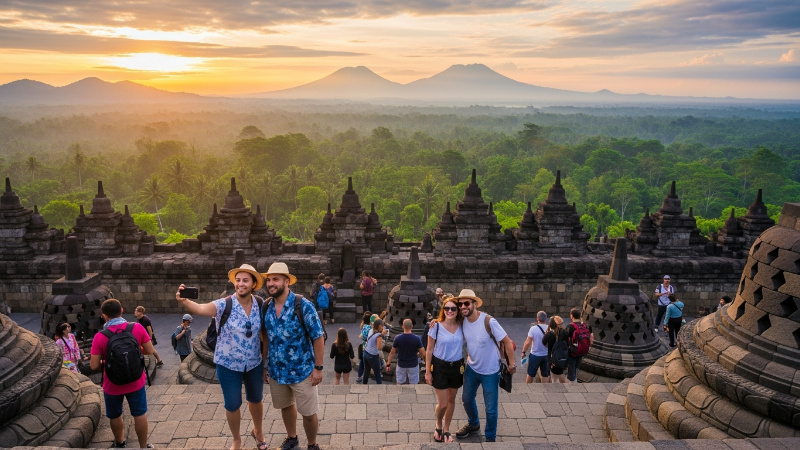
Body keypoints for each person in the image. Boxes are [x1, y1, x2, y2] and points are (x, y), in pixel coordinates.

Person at [175, 264, 267, 450]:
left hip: (254, 362)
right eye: (238, 280)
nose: (240, 284)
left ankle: (258, 431)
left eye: (245, 280)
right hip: (228, 364)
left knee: (256, 399)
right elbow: (200, 309)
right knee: (232, 404)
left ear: (254, 284)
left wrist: (266, 362)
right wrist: (184, 302)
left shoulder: (260, 304)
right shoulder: (224, 304)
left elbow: (264, 333)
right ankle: (236, 439)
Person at [261, 262, 326, 450]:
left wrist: (318, 368)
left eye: (275, 279)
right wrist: (265, 365)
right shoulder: (267, 307)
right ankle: (292, 438)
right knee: (285, 406)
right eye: (269, 280)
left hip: (302, 370)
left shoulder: (303, 306)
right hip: (277, 371)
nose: (271, 283)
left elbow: (318, 337)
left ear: (286, 281)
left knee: (308, 412)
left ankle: (312, 444)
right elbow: (266, 337)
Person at [90, 299, 155, 449]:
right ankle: (143, 447)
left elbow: (93, 366)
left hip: (112, 383)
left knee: (115, 415)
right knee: (139, 414)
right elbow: (150, 351)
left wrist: (105, 361)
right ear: (122, 310)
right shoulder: (137, 328)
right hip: (136, 380)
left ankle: (120, 443)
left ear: (104, 316)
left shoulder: (100, 336)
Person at [453, 289, 516, 443]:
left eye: (466, 303)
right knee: (466, 399)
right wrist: (433, 323)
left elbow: (507, 341)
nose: (463, 307)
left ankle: (490, 438)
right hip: (472, 369)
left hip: (491, 371)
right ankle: (474, 424)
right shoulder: (462, 320)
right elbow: (446, 321)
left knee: (491, 410)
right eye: (460, 304)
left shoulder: (489, 321)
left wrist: (512, 364)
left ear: (474, 304)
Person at [425, 297, 464, 443]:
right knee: (443, 404)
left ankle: (447, 429)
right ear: (443, 310)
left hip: (457, 366)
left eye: (453, 308)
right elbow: (429, 350)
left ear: (457, 310)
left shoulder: (462, 325)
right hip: (440, 366)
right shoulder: (436, 326)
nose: (450, 311)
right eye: (447, 308)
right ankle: (438, 423)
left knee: (451, 399)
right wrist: (427, 371)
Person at [386, 319, 425, 385]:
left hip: (401, 364)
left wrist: (388, 364)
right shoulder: (417, 338)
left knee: (399, 382)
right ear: (412, 326)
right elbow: (423, 352)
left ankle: (399, 394)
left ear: (402, 326)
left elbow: (392, 352)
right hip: (413, 364)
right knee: (414, 383)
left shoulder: (397, 338)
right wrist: (421, 356)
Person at [521, 311, 550, 384]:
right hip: (546, 355)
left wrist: (523, 352)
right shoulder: (549, 329)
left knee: (530, 374)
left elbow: (528, 342)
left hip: (535, 355)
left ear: (537, 318)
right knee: (545, 375)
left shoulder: (533, 329)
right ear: (545, 319)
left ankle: (528, 389)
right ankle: (545, 391)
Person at [565, 308, 593, 383]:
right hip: (581, 350)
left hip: (572, 351)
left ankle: (573, 384)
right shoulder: (584, 326)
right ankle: (575, 379)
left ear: (571, 316)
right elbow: (591, 337)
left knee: (571, 369)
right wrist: (589, 347)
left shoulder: (569, 326)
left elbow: (567, 340)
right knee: (576, 367)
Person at [544, 316, 569, 383]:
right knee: (561, 372)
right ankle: (564, 385)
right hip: (562, 357)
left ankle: (556, 389)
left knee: (554, 376)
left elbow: (544, 342)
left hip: (553, 357)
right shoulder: (564, 332)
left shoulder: (550, 334)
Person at [362, 318, 385, 384]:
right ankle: (380, 388)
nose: (383, 327)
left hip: (366, 353)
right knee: (377, 373)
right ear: (380, 326)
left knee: (366, 371)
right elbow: (379, 347)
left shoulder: (371, 330)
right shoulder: (379, 336)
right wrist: (383, 343)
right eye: (382, 326)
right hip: (373, 355)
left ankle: (364, 384)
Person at [355, 311, 372, 383]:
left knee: (361, 361)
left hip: (362, 346)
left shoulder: (363, 326)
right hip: (368, 346)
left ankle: (359, 376)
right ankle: (366, 374)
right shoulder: (370, 328)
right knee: (367, 362)